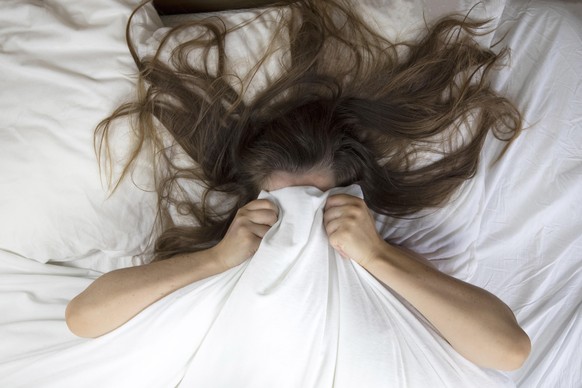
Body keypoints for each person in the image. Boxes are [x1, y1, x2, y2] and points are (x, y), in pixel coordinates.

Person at [66, 0, 530, 372]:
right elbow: (84, 317)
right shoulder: (215, 262)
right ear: (248, 206)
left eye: (320, 205)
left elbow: (509, 352)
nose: (301, 228)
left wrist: (375, 255)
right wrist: (216, 258)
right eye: (279, 208)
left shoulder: (396, 266)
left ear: (356, 203)